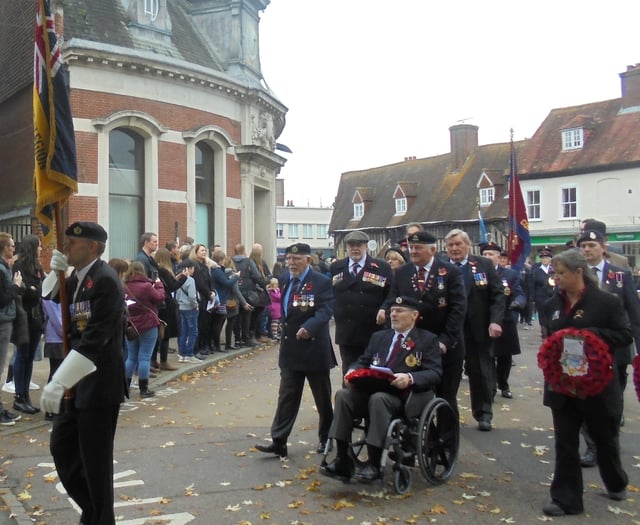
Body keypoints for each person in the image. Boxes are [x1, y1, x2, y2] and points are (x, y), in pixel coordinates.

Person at [41, 222, 127, 525]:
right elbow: (50, 297)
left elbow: (94, 339)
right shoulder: (79, 276)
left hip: (98, 383)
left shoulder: (105, 281)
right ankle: (92, 513)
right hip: (77, 382)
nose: (67, 247)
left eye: (73, 243)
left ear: (92, 246)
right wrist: (55, 272)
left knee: (95, 464)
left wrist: (59, 380)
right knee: (62, 449)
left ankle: (100, 519)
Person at [540, 250, 631, 517]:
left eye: (561, 274)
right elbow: (548, 339)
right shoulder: (550, 305)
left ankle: (615, 481)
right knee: (565, 442)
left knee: (604, 438)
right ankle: (566, 499)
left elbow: (624, 334)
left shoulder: (606, 302)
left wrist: (594, 335)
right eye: (554, 274)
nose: (556, 279)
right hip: (562, 384)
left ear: (579, 272)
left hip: (597, 384)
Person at [321, 296, 443, 482]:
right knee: (343, 395)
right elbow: (363, 360)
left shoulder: (427, 340)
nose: (393, 314)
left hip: (405, 397)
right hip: (372, 391)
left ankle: (374, 463)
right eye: (392, 310)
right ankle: (342, 459)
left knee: (379, 399)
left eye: (399, 311)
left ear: (414, 315)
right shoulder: (380, 337)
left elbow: (434, 372)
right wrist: (352, 371)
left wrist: (410, 378)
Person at [255, 243, 336, 457]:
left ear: (308, 260)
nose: (291, 263)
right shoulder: (283, 279)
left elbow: (326, 309)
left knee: (322, 398)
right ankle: (279, 441)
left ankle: (326, 438)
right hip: (291, 349)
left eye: (297, 259)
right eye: (289, 259)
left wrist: (309, 328)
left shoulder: (321, 282)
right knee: (287, 397)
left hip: (314, 349)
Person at [383, 230, 466, 418]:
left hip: (445, 344)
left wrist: (445, 341)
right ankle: (420, 440)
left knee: (445, 397)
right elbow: (393, 301)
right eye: (411, 247)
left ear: (432, 250)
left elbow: (458, 309)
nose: (412, 251)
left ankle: (447, 442)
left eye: (418, 248)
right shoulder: (403, 273)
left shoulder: (450, 272)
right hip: (413, 345)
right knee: (414, 395)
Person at [576, 229, 640, 467]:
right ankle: (592, 446)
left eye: (592, 245)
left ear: (603, 247)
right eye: (583, 246)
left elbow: (633, 313)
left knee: (613, 400)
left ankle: (610, 441)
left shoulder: (620, 275)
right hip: (584, 351)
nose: (587, 250)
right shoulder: (576, 275)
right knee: (586, 397)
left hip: (616, 349)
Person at [445, 229, 504, 431]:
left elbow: (497, 295)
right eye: (450, 245)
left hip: (477, 331)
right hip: (450, 331)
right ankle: (448, 415)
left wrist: (495, 321)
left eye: (458, 244)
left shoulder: (483, 265)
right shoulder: (441, 267)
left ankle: (483, 414)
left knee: (480, 374)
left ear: (467, 245)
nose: (454, 248)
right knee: (449, 376)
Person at [330, 230, 392, 375]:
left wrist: (384, 309)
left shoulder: (381, 267)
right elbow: (331, 293)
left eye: (359, 245)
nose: (355, 248)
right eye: (351, 245)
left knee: (374, 373)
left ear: (366, 246)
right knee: (350, 373)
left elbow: (391, 294)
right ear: (346, 247)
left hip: (372, 330)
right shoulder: (336, 267)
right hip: (347, 332)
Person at [479, 243, 526, 400]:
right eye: (484, 254)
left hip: (505, 321)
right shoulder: (478, 274)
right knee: (488, 357)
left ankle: (503, 384)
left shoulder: (510, 275)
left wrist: (518, 302)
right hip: (485, 322)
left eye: (491, 254)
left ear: (499, 258)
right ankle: (490, 388)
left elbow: (519, 294)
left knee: (505, 357)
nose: (487, 257)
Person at [12, 234, 45, 415]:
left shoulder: (38, 267)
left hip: (36, 317)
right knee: (22, 356)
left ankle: (26, 395)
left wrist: (34, 289)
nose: (41, 249)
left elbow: (39, 289)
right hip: (24, 317)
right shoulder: (19, 266)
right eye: (38, 246)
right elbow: (22, 290)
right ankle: (19, 396)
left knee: (30, 356)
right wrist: (33, 290)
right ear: (32, 247)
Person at [123, 261, 165, 398]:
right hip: (148, 323)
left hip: (131, 325)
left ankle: (125, 388)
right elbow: (160, 297)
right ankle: (143, 388)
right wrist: (158, 284)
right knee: (144, 357)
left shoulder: (124, 286)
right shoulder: (146, 286)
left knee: (131, 357)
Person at [0, 233, 22, 426]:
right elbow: (3, 298)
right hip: (2, 321)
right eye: (11, 246)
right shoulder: (1, 269)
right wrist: (15, 286)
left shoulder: (4, 267)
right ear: (4, 247)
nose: (14, 249)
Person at [151, 247, 184, 370]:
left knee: (158, 333)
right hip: (166, 304)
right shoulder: (164, 271)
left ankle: (154, 359)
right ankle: (163, 361)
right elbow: (171, 287)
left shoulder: (156, 270)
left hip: (160, 304)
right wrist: (184, 278)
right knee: (165, 333)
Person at [190, 243, 217, 356]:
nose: (204, 252)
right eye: (201, 250)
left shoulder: (206, 266)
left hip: (208, 297)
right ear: (195, 252)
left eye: (205, 250)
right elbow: (200, 283)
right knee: (201, 323)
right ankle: (200, 346)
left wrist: (213, 291)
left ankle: (205, 345)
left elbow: (210, 281)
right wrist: (208, 293)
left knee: (207, 323)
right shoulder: (195, 266)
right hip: (201, 297)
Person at [210, 250, 239, 352]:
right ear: (221, 260)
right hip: (221, 299)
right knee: (219, 322)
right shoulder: (218, 271)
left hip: (221, 298)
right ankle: (216, 345)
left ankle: (214, 344)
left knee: (218, 322)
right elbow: (227, 283)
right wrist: (236, 277)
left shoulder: (217, 271)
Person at [223, 256, 251, 350]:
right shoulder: (233, 275)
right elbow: (236, 291)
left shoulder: (221, 274)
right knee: (231, 323)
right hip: (232, 301)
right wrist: (244, 303)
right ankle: (229, 343)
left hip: (223, 300)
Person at [175, 259, 200, 363]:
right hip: (190, 308)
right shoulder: (190, 280)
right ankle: (189, 354)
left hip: (181, 307)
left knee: (183, 331)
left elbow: (176, 295)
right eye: (193, 268)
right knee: (193, 331)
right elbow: (192, 296)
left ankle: (182, 354)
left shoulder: (178, 279)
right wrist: (195, 305)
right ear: (189, 268)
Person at [532, 248, 555, 338]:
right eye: (542, 258)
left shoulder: (554, 270)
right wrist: (532, 298)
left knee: (552, 314)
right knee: (542, 315)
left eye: (546, 258)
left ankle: (551, 330)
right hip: (540, 296)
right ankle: (544, 332)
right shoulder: (536, 271)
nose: (544, 260)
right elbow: (533, 285)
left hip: (552, 296)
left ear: (550, 259)